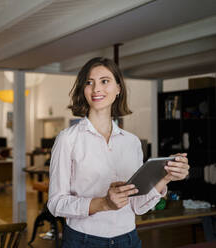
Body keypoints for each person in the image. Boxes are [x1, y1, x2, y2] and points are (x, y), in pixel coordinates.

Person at [47, 57, 190, 248]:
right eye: (89, 82)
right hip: (83, 241)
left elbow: (137, 206)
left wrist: (166, 177)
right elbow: (56, 203)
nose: (97, 88)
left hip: (128, 240)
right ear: (84, 89)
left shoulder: (131, 142)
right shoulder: (67, 139)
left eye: (104, 81)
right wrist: (103, 204)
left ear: (118, 88)